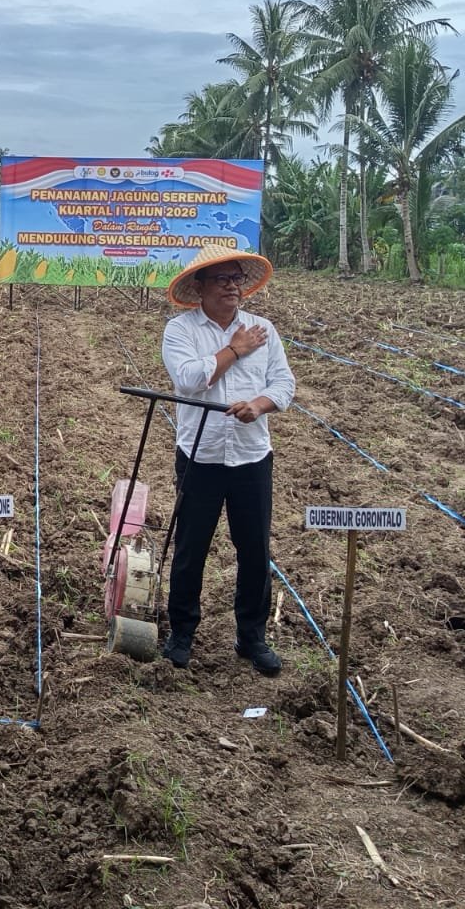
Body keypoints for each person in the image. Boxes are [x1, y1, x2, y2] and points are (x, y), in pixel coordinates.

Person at [159, 244, 295, 673]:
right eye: (222, 279)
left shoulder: (264, 329)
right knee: (191, 548)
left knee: (254, 549)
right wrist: (234, 350)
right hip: (201, 454)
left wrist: (260, 404)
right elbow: (188, 380)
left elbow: (285, 385)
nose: (232, 287)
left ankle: (251, 636)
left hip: (252, 456)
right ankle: (182, 633)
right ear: (199, 287)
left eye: (237, 279)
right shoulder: (180, 331)